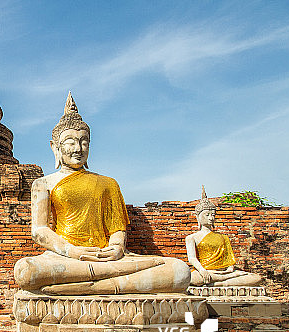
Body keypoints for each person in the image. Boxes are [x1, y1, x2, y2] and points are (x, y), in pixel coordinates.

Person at [13, 93, 190, 295]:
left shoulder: (108, 183)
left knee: (179, 271)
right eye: (70, 142)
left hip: (107, 259)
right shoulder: (43, 184)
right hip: (65, 258)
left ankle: (86, 287)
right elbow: (39, 231)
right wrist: (73, 251)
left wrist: (115, 248)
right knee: (26, 271)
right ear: (55, 147)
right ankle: (102, 286)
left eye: (84, 142)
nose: (78, 148)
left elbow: (117, 229)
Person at [185, 187, 263, 287]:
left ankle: (219, 283)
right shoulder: (192, 237)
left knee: (256, 278)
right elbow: (192, 259)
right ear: (198, 217)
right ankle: (220, 282)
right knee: (192, 279)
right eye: (207, 215)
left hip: (225, 273)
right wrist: (202, 270)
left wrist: (229, 269)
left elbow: (230, 262)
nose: (210, 218)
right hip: (205, 271)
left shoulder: (223, 237)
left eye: (213, 215)